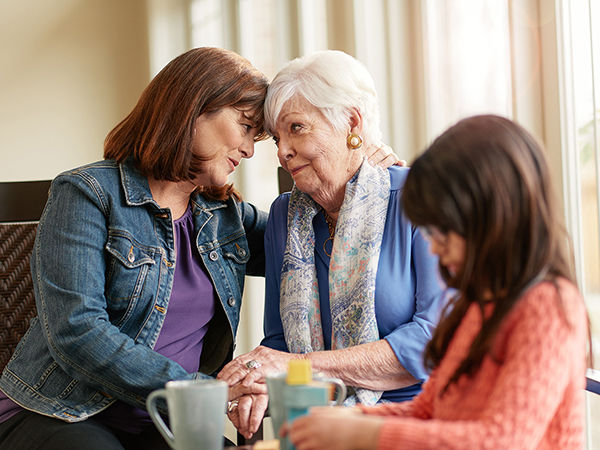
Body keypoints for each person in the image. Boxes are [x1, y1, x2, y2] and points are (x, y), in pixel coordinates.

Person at [0, 47, 273, 449]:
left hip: (160, 422)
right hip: (61, 412)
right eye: (246, 126)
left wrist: (365, 166)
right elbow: (78, 331)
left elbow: (304, 247)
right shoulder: (88, 193)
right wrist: (201, 389)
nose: (250, 149)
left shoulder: (224, 214)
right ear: (193, 108)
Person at [284, 115, 591, 450]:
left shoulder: (548, 308)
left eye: (444, 228)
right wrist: (352, 420)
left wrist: (364, 434)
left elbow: (503, 442)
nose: (434, 245)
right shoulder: (476, 306)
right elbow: (430, 409)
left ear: (492, 214)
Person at [217, 50, 446, 439]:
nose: (283, 151)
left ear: (351, 122)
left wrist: (300, 366)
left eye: (297, 128)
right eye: (277, 136)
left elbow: (433, 341)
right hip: (315, 429)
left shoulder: (419, 199)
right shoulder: (283, 217)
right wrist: (258, 387)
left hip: (415, 424)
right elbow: (278, 344)